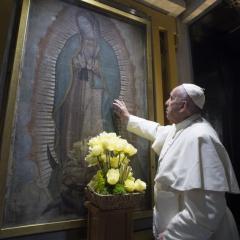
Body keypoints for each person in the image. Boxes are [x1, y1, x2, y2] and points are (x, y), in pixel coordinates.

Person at [113, 83, 240, 240]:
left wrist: (173, 236)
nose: (166, 102)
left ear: (183, 106)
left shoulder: (201, 137)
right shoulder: (182, 128)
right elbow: (156, 130)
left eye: (171, 98)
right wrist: (128, 118)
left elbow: (207, 211)